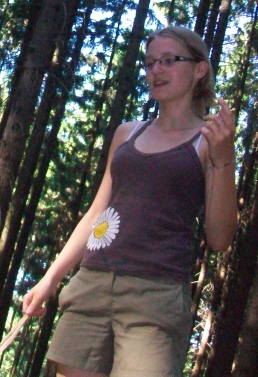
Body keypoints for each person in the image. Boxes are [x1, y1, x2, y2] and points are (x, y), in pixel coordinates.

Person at [22, 26, 237, 376]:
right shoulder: (127, 133)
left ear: (199, 69)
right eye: (150, 63)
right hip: (91, 285)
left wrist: (225, 159)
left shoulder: (209, 143)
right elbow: (97, 213)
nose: (156, 70)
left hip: (156, 295)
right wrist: (50, 280)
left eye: (169, 60)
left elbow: (220, 237)